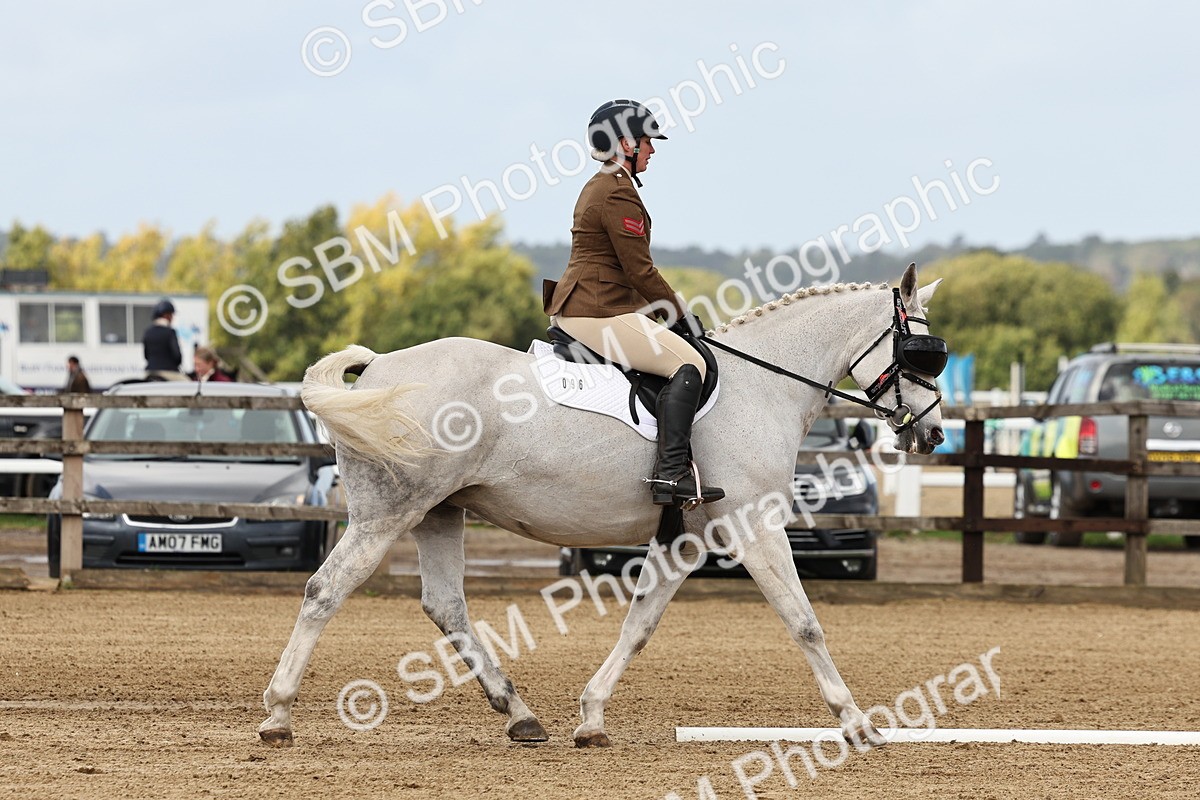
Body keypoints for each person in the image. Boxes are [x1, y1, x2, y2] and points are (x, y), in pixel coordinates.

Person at [543, 99, 723, 509]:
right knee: (689, 365)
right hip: (595, 308)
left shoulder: (607, 184)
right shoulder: (615, 192)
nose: (652, 150)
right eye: (647, 141)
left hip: (597, 302)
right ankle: (671, 472)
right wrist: (680, 314)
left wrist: (669, 314)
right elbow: (641, 271)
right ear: (625, 142)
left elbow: (632, 274)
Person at [143, 298, 187, 381]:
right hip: (168, 373)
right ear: (167, 315)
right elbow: (177, 356)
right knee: (189, 386)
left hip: (149, 372)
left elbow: (146, 355)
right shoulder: (170, 332)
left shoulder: (147, 332)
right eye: (171, 315)